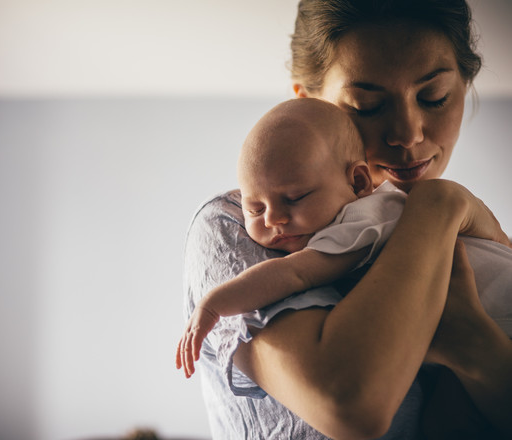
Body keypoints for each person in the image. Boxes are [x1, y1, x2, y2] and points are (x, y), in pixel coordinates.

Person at [181, 1, 512, 439]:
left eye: (435, 97)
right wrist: (439, 205)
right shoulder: (241, 225)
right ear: (311, 105)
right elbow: (350, 405)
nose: (409, 134)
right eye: (367, 105)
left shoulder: (469, 241)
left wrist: (473, 344)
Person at [176, 98, 512, 380]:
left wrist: (214, 304)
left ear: (358, 182)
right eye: (254, 208)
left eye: (296, 197)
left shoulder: (366, 217)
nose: (274, 218)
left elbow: (294, 273)